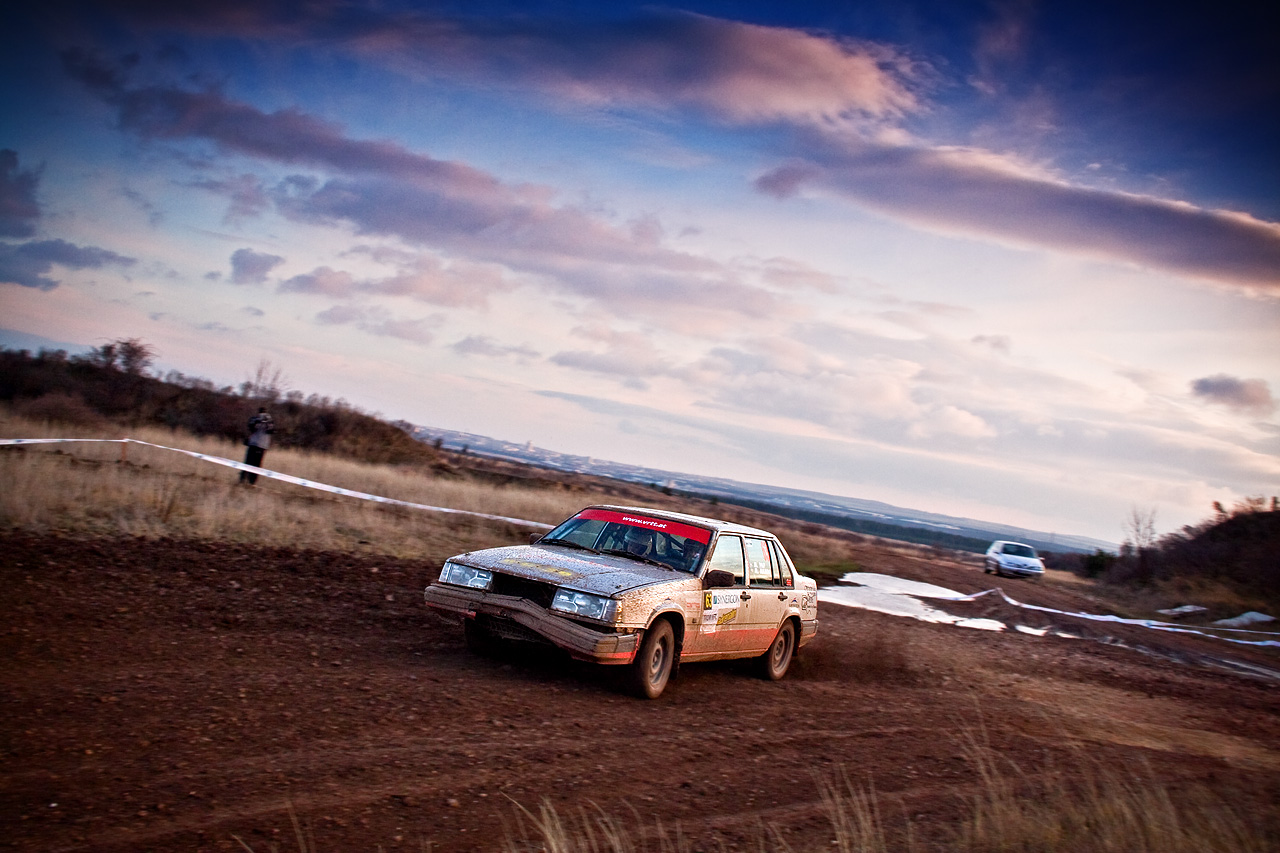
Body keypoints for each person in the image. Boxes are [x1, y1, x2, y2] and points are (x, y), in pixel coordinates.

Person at [239, 407, 274, 484]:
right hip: (260, 445)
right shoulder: (266, 420)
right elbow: (252, 428)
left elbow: (252, 428)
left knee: (249, 463)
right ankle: (249, 481)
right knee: (255, 464)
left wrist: (261, 420)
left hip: (255, 444)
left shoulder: (264, 420)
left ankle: (245, 480)